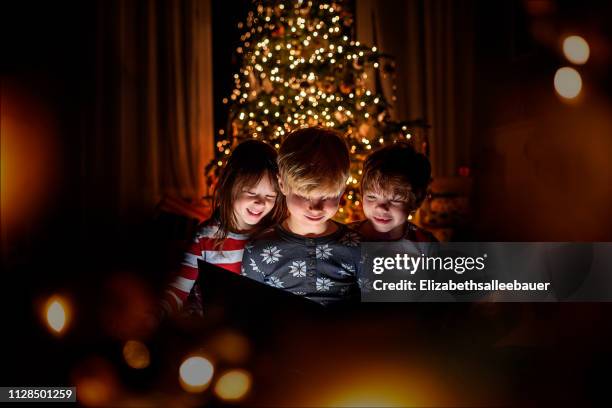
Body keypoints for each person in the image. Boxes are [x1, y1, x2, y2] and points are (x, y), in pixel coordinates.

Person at [160, 139, 285, 317]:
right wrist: (156, 315)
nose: (261, 203)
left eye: (270, 196)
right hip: (209, 328)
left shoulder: (273, 238)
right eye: (251, 193)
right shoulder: (205, 238)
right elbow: (179, 289)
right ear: (230, 186)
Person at [241, 127, 361, 305]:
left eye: (327, 196)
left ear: (342, 189)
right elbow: (251, 311)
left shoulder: (358, 247)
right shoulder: (258, 250)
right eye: (303, 196)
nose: (315, 208)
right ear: (282, 184)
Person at [352, 142, 437, 243]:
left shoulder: (426, 244)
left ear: (416, 200)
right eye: (371, 197)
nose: (381, 208)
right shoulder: (343, 238)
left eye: (395, 200)